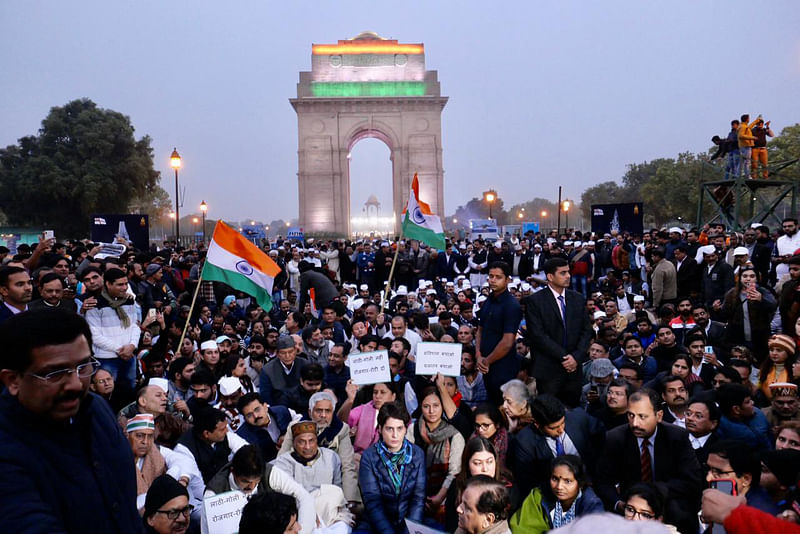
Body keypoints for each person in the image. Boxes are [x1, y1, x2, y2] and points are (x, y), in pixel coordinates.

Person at [0, 308, 142, 532]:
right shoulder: (7, 453)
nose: (76, 384)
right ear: (13, 380)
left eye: (83, 366)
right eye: (54, 373)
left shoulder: (97, 409)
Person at [595, 388, 702, 533]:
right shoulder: (615, 438)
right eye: (630, 415)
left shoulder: (677, 437)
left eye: (642, 416)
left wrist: (654, 494)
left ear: (659, 416)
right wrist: (619, 504)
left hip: (668, 502)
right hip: (630, 507)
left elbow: (691, 480)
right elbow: (602, 481)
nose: (635, 423)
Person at [524, 258, 593, 407]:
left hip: (574, 370)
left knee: (573, 412)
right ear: (550, 277)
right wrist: (564, 357)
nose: (568, 276)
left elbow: (587, 331)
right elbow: (538, 335)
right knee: (549, 413)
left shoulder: (578, 299)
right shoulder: (535, 301)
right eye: (563, 273)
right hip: (549, 369)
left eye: (568, 272)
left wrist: (576, 357)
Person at [508, 394, 600, 500]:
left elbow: (600, 439)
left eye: (562, 423)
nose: (561, 430)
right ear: (537, 425)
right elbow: (527, 482)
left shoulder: (579, 418)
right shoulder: (524, 442)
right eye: (554, 428)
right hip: (552, 496)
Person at [358, 402, 426, 534]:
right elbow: (373, 502)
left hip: (408, 522)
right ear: (380, 429)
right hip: (376, 524)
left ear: (406, 429)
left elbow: (418, 499)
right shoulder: (369, 457)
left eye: (399, 428)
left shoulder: (417, 454)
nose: (395, 435)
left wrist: (408, 531)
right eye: (389, 429)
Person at [408, 386, 465, 521]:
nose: (431, 411)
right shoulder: (413, 429)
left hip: (444, 495)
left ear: (442, 406)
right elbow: (407, 464)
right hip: (415, 492)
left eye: (436, 406)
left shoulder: (454, 435)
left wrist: (439, 498)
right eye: (426, 406)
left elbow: (454, 473)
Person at [509, 455, 604, 533]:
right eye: (555, 479)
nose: (559, 486)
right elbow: (523, 529)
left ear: (580, 484)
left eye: (567, 481)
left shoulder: (591, 505)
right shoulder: (538, 496)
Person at [85, 267, 142, 391]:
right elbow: (94, 336)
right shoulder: (95, 304)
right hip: (106, 359)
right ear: (108, 284)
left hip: (129, 356)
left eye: (126, 283)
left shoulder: (129, 301)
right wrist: (120, 349)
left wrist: (132, 346)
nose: (124, 287)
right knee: (107, 393)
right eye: (120, 284)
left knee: (129, 390)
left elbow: (134, 326)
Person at [476, 261, 523, 405]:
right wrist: (478, 355)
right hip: (485, 365)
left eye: (498, 277)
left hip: (503, 368)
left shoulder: (511, 305)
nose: (493, 280)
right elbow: (480, 330)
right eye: (491, 276)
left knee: (504, 407)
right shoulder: (489, 300)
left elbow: (508, 341)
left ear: (508, 279)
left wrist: (487, 360)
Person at [446, 437, 509, 533]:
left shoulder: (508, 488)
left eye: (489, 462)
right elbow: (450, 524)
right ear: (467, 464)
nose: (485, 469)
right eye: (478, 463)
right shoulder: (456, 486)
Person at [705, 439, 779, 515]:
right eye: (708, 469)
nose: (708, 478)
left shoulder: (759, 515)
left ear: (746, 479)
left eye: (719, 472)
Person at [720, 267, 776, 363]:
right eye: (745, 276)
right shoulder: (732, 293)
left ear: (756, 278)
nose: (748, 279)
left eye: (752, 276)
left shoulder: (763, 291)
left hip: (759, 337)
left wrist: (761, 300)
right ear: (740, 278)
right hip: (737, 336)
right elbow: (725, 313)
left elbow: (773, 305)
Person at [260, 334, 308, 405]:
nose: (287, 356)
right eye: (283, 353)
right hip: (279, 408)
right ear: (277, 353)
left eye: (290, 352)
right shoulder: (267, 370)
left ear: (295, 351)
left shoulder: (305, 364)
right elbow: (266, 398)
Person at [758, 334, 796, 401]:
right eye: (771, 350)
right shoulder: (765, 369)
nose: (774, 353)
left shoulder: (795, 371)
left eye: (779, 350)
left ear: (788, 353)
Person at [685, 398, 721, 465]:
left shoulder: (719, 448)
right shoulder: (677, 438)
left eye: (698, 416)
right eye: (688, 413)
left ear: (713, 424)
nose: (690, 418)